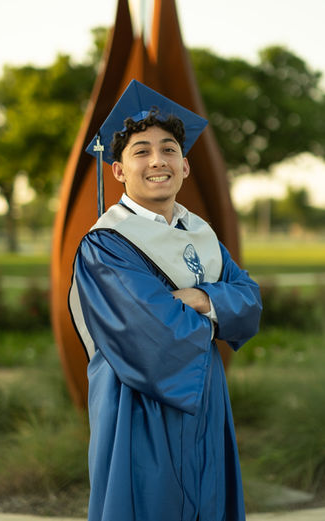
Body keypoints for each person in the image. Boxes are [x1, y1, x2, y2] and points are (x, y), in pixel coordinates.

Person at [69, 80, 262, 521]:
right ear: (118, 171)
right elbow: (154, 334)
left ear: (185, 166)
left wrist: (198, 297)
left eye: (169, 149)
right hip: (138, 406)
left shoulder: (202, 234)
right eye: (141, 151)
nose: (158, 160)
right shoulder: (107, 245)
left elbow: (250, 301)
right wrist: (218, 308)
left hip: (206, 401)